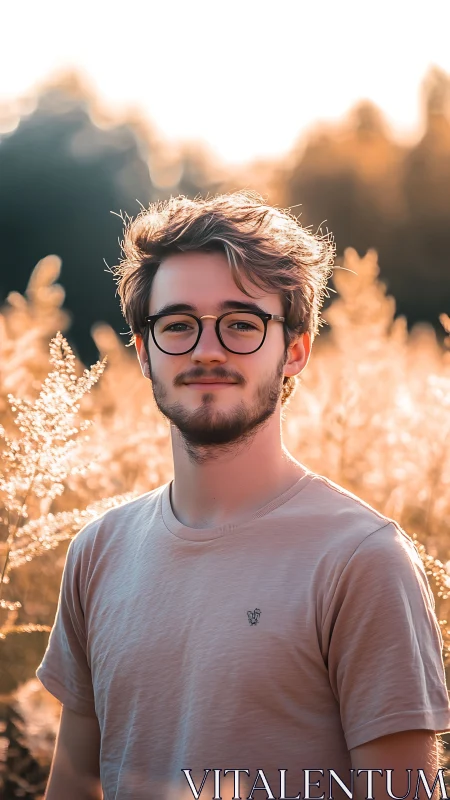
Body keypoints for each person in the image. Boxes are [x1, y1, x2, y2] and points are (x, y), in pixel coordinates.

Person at [37, 192, 450, 800]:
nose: (208, 348)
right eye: (177, 324)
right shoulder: (97, 552)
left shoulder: (362, 560)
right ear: (143, 349)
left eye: (241, 323)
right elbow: (74, 782)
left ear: (296, 350)